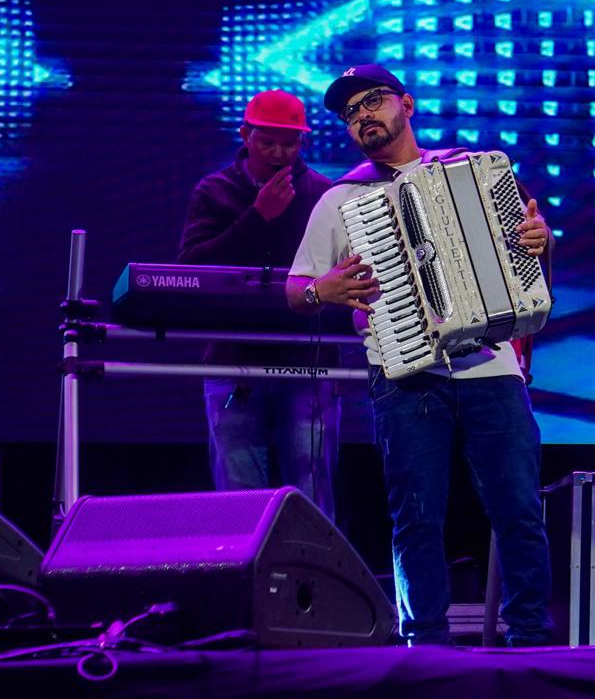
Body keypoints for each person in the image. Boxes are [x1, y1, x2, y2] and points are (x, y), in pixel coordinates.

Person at [286, 64, 555, 647]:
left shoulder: (473, 171)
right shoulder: (340, 200)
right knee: (416, 518)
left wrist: (541, 240)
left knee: (518, 511)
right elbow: (297, 287)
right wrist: (321, 290)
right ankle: (425, 646)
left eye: (373, 101)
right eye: (351, 113)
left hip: (493, 367)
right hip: (404, 374)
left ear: (406, 105)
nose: (362, 116)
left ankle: (531, 639)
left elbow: (527, 255)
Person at [178, 89, 342, 520]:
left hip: (309, 360)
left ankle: (312, 564)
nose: (278, 154)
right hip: (234, 358)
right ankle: (244, 565)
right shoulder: (215, 190)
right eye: (268, 142)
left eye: (290, 143)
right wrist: (257, 218)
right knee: (238, 492)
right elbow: (192, 268)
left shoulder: (322, 194)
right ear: (245, 135)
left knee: (312, 489)